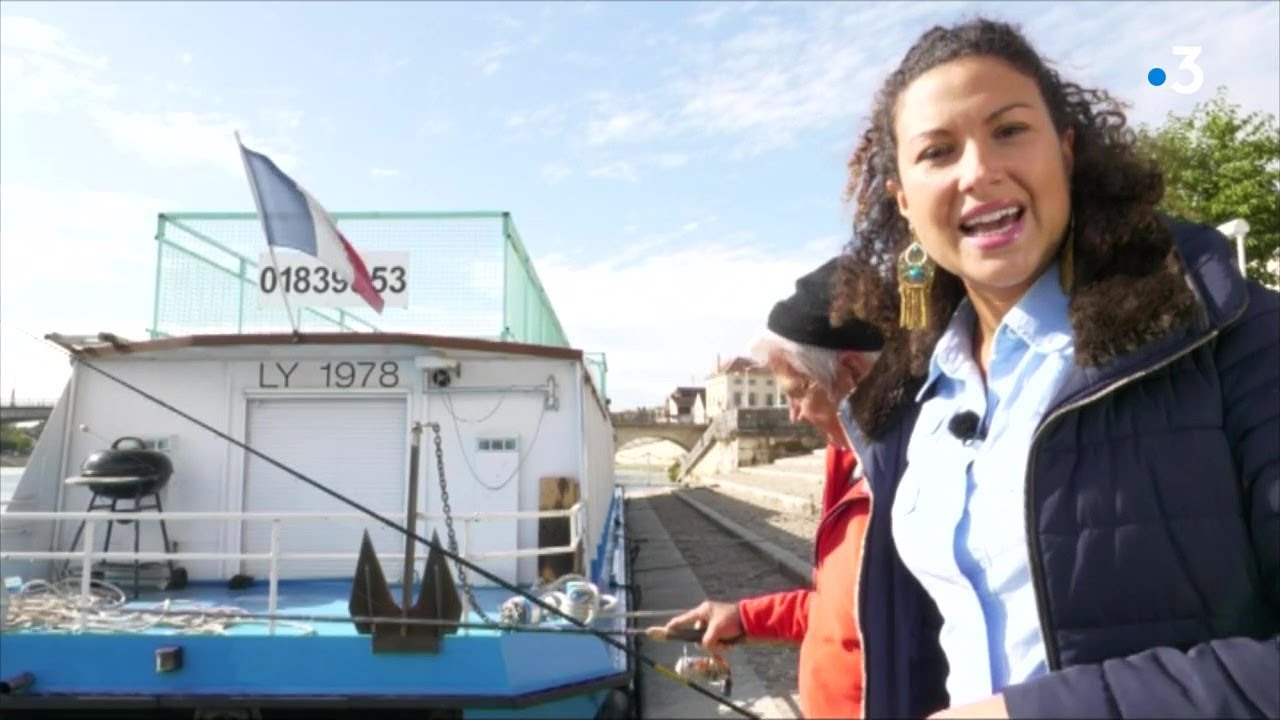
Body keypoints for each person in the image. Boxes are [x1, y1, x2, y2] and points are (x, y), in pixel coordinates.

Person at [827, 16, 1279, 720]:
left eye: (1009, 130)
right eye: (938, 151)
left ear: (1066, 151)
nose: (979, 171)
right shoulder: (906, 405)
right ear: (903, 202)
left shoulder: (1239, 338)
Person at [664, 257, 884, 719]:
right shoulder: (849, 466)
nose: (792, 414)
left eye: (797, 391)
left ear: (851, 374)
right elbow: (839, 613)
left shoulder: (908, 490)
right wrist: (745, 618)